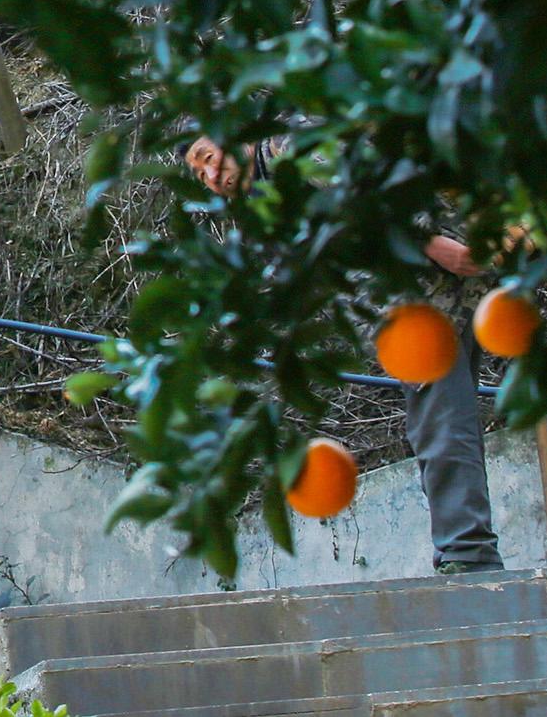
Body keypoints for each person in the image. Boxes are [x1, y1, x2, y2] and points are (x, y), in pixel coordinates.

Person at [186, 134, 503, 572]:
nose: (209, 175)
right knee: (444, 419)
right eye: (199, 174)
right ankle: (468, 552)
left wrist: (435, 244)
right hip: (426, 296)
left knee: (441, 422)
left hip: (432, 290)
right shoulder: (270, 194)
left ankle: (468, 557)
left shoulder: (289, 151)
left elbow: (366, 184)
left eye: (207, 158)